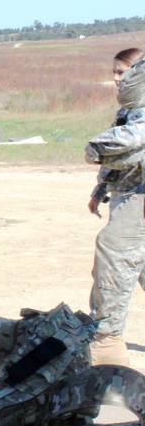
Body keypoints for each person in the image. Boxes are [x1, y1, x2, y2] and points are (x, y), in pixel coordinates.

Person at [85, 49, 145, 367]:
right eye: (114, 72)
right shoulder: (130, 110)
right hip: (129, 193)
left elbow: (132, 140)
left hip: (139, 198)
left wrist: (96, 148)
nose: (116, 79)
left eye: (122, 73)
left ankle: (107, 342)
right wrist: (101, 189)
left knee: (113, 252)